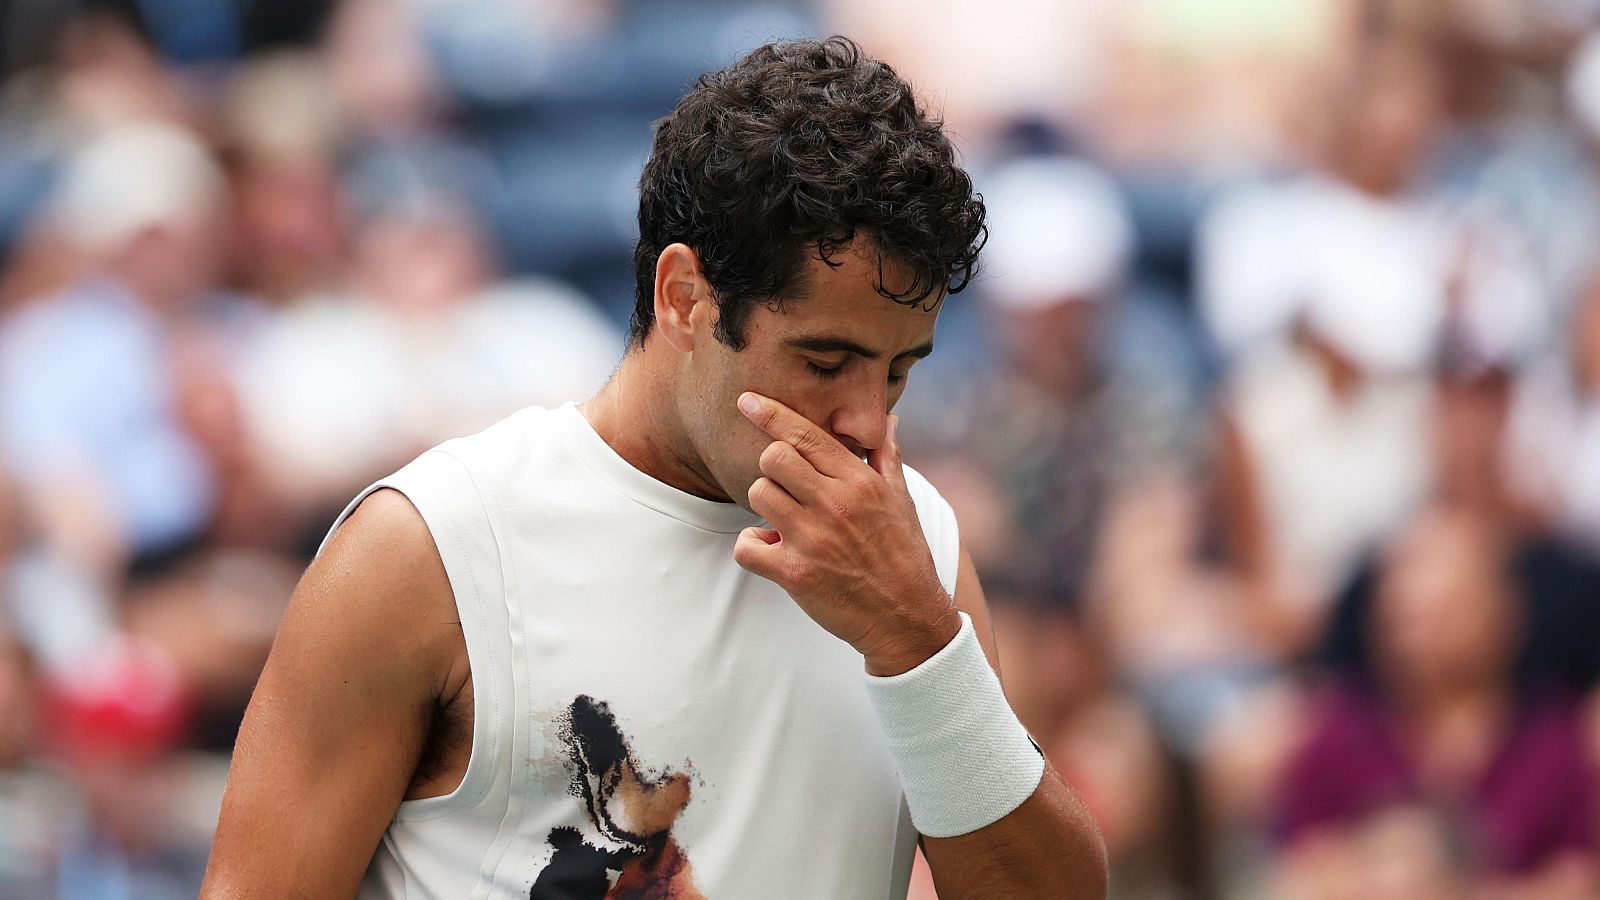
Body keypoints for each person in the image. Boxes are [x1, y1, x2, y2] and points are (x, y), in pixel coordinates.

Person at [200, 37, 1106, 899]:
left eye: (902, 369)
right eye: (826, 363)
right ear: (684, 298)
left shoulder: (919, 553)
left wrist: (918, 646)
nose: (868, 422)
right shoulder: (426, 547)